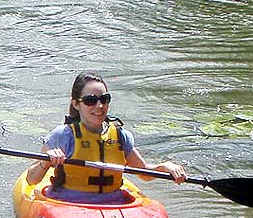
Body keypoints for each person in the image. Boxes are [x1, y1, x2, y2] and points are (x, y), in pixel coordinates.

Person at [25, 72, 186, 204]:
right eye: (90, 100)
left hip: (113, 203)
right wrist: (46, 161)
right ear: (76, 104)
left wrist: (165, 167)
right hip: (68, 202)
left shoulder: (121, 136)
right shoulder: (63, 135)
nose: (99, 106)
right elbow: (31, 179)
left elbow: (143, 173)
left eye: (104, 99)